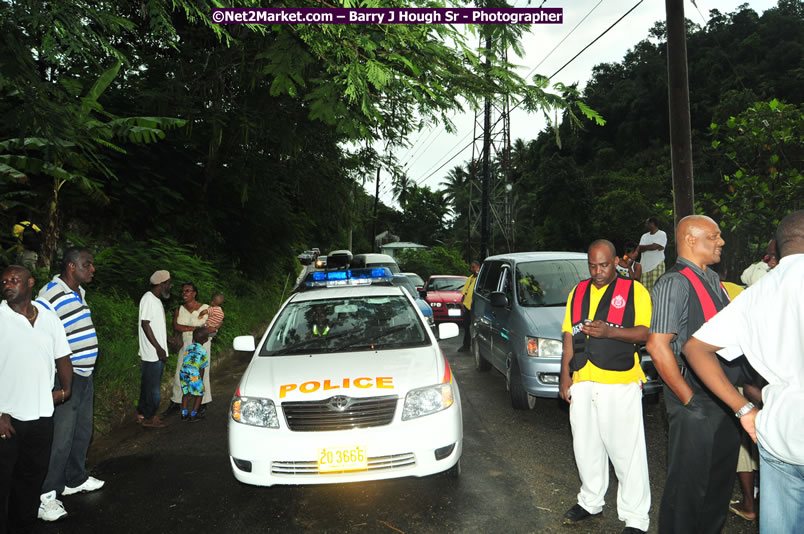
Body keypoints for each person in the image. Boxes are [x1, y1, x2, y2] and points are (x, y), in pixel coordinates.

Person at [683, 210, 804, 534]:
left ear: (778, 247)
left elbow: (695, 348)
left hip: (778, 434)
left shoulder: (758, 293)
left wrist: (744, 410)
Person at [645, 215, 745, 534]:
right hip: (695, 400)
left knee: (717, 487)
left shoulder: (712, 279)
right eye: (714, 236)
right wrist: (688, 400)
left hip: (723, 397)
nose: (722, 242)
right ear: (690, 240)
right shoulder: (674, 282)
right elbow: (658, 346)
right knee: (687, 492)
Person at [559, 240, 652, 534]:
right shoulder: (578, 292)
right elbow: (568, 336)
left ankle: (636, 517)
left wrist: (610, 331)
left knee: (627, 452)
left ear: (616, 262)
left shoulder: (635, 290)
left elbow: (646, 333)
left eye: (604, 265)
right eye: (593, 265)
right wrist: (565, 375)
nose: (598, 271)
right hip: (583, 380)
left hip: (620, 382)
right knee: (585, 447)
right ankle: (590, 500)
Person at [1, 265, 73, 534]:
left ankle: (24, 526)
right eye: (4, 281)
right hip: (7, 417)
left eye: (14, 280)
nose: (7, 284)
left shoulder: (48, 317)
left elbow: (62, 355)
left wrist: (66, 390)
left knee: (31, 479)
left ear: (30, 282)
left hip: (42, 414)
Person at [35, 248, 104, 522]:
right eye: (88, 265)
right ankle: (46, 497)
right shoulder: (49, 293)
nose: (92, 269)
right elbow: (39, 334)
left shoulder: (78, 293)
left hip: (85, 375)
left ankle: (75, 479)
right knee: (60, 438)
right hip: (64, 376)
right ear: (71, 267)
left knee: (82, 431)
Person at [167, 283, 212, 414]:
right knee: (181, 371)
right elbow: (176, 326)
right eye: (183, 291)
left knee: (203, 372)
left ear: (194, 293)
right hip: (186, 344)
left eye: (188, 291)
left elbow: (210, 326)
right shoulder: (179, 309)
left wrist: (187, 328)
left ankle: (203, 402)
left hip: (203, 345)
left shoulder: (205, 308)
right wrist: (194, 329)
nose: (184, 293)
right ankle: (176, 401)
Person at [137, 270, 172, 428]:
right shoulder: (148, 299)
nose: (170, 286)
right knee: (154, 391)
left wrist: (167, 340)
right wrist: (159, 348)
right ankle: (149, 418)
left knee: (147, 387)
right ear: (162, 284)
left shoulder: (156, 300)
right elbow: (145, 324)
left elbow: (155, 326)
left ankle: (143, 413)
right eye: (168, 283)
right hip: (152, 353)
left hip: (155, 352)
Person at [179, 327, 210, 422]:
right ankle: (193, 414)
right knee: (199, 394)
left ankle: (184, 414)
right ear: (206, 340)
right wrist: (200, 379)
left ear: (193, 339)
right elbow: (202, 368)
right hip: (194, 375)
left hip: (183, 373)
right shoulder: (203, 351)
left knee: (186, 393)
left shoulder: (188, 348)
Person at [637, 217, 667, 293]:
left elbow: (655, 246)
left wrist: (646, 247)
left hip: (657, 265)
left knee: (656, 290)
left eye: (647, 223)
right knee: (644, 291)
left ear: (652, 224)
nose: (646, 225)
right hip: (644, 267)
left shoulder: (661, 234)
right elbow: (639, 248)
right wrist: (653, 246)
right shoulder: (644, 236)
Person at [457, 260, 480, 352]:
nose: (472, 269)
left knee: (476, 328)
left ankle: (477, 346)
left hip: (476, 307)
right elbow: (465, 291)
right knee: (466, 326)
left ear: (478, 267)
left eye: (473, 267)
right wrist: (462, 302)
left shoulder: (480, 279)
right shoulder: (470, 278)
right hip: (467, 306)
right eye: (471, 267)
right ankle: (466, 345)